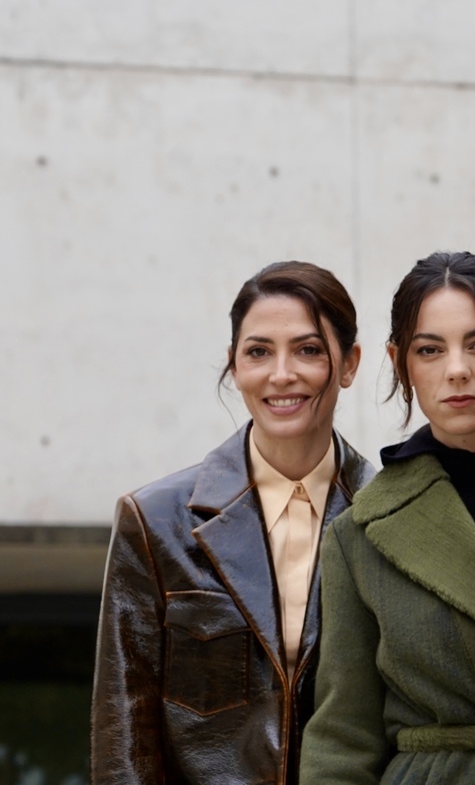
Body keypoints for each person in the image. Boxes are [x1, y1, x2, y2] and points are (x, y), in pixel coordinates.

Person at [91, 261, 374, 784]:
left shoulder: (388, 514)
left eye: (308, 350)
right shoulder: (154, 523)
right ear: (234, 365)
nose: (281, 373)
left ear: (350, 363)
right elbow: (124, 735)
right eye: (258, 351)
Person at [299, 251, 475, 784]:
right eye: (430, 350)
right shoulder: (359, 534)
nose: (457, 370)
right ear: (401, 363)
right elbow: (341, 737)